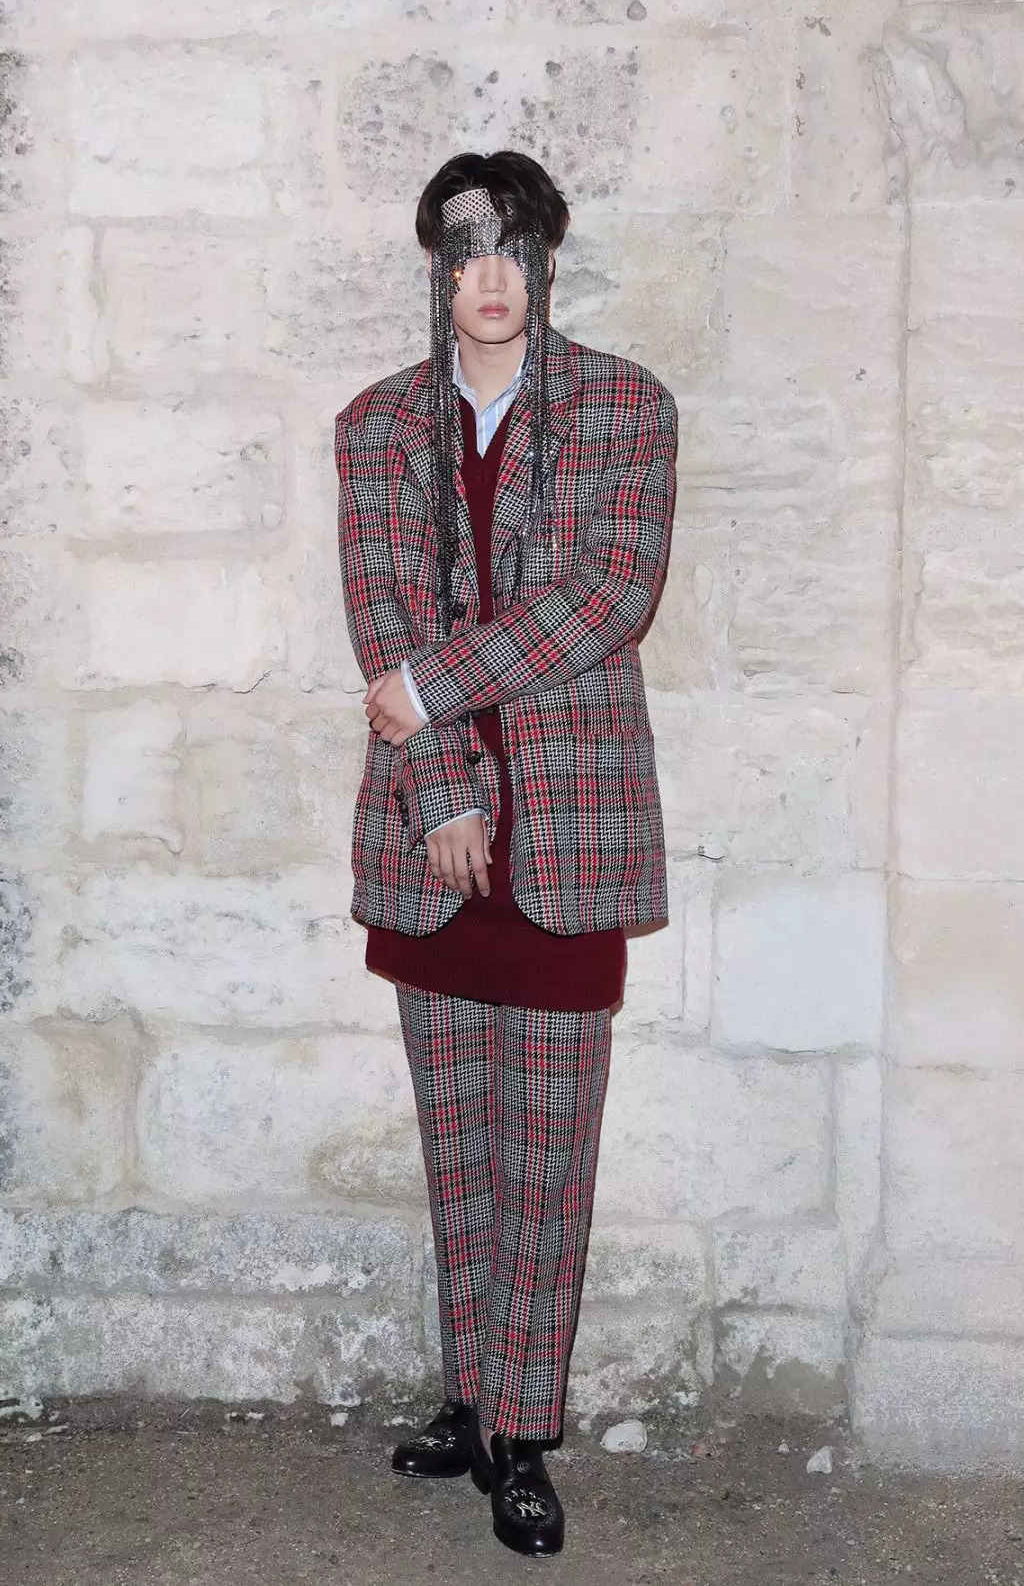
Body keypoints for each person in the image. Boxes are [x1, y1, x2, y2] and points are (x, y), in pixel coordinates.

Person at [334, 149, 677, 1558]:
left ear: (545, 262)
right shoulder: (375, 425)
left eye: (514, 250)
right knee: (458, 1145)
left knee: (547, 1154)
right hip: (433, 840)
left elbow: (609, 595)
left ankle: (526, 1431)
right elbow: (382, 615)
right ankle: (472, 1399)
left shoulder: (625, 406)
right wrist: (439, 791)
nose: (490, 277)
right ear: (438, 266)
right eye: (465, 251)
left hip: (571, 830)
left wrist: (434, 686)